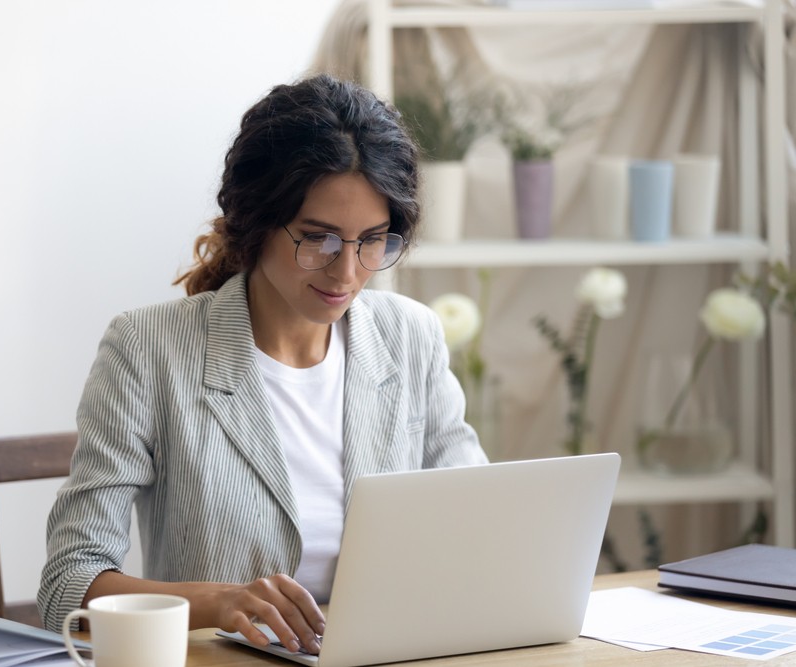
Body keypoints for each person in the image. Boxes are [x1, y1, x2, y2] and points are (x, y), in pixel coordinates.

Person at [37, 73, 487, 654]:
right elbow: (66, 588)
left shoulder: (411, 337)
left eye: (373, 240)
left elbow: (479, 525)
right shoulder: (147, 349)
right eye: (318, 238)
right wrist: (217, 601)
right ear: (256, 221)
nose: (347, 273)